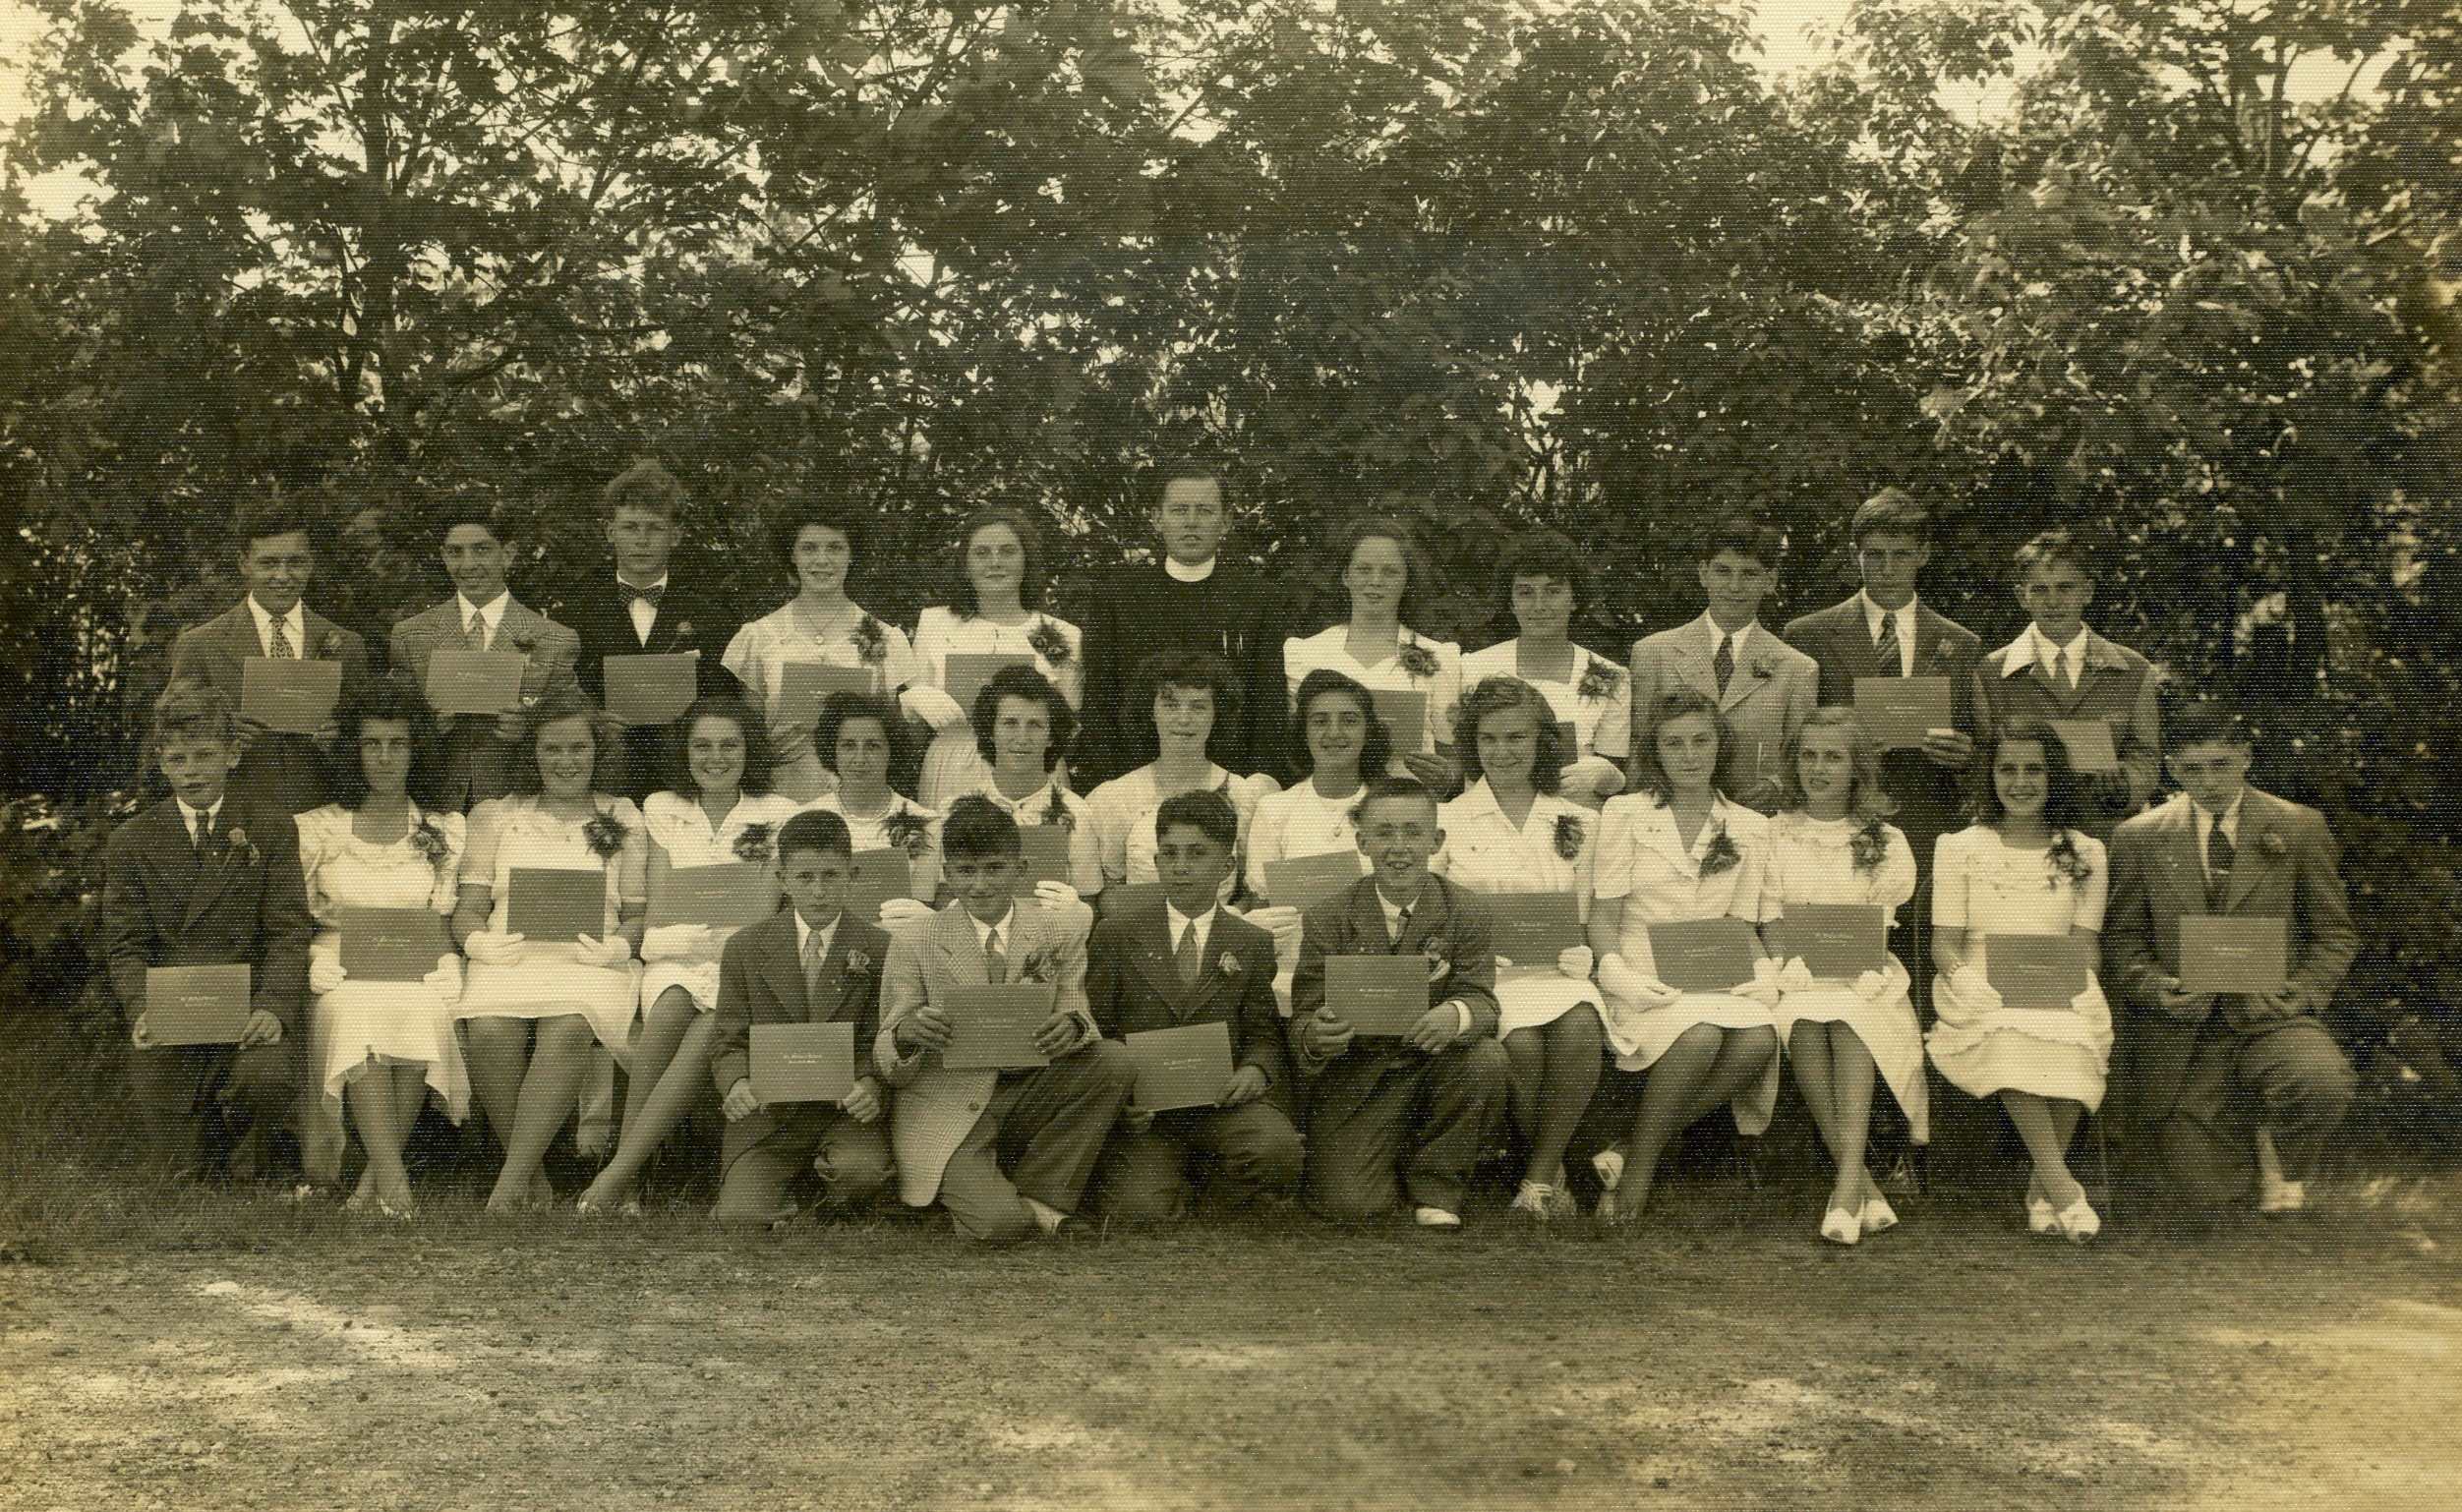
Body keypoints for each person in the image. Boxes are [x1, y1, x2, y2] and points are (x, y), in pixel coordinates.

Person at [2103, 701, 2358, 1214]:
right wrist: (2157, 988)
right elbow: (2122, 941)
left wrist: (2301, 991)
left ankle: (2280, 1152)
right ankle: (2242, 1138)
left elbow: (2335, 932)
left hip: (2270, 1018)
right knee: (2207, 1197)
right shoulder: (2138, 837)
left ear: (2245, 758)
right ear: (2173, 769)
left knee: (2323, 1082)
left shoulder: (2298, 826)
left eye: (2221, 765)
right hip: (2185, 1029)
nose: (2210, 782)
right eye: (2193, 769)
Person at [574, 692, 801, 1215]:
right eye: (702, 746)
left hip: (745, 960)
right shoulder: (662, 808)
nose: (715, 757)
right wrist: (685, 938)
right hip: (674, 953)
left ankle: (616, 1177)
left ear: (750, 751)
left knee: (710, 1027)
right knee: (670, 1006)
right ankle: (625, 1179)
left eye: (729, 745)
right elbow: (657, 907)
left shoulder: (778, 812)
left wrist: (720, 936)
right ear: (685, 751)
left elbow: (770, 907)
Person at [874, 796, 1138, 1242]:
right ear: (946, 874)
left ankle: (1041, 1197)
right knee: (1002, 1226)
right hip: (949, 1103)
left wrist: (1071, 1027)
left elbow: (1079, 1012)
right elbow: (886, 1052)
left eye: (994, 868)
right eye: (965, 871)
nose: (979, 885)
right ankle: (987, 1194)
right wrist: (908, 1033)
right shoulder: (915, 938)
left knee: (1113, 1061)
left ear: (1022, 868)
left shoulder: (1059, 930)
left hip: (1031, 1089)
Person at [1580, 689, 1782, 1225]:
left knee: (1760, 1038)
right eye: (1674, 743)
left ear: (1721, 745)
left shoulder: (1749, 825)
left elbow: (1742, 924)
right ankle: (1640, 1175)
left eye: (1701, 740)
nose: (1689, 755)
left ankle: (1628, 1146)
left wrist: (1762, 975)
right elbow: (1603, 917)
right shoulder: (1624, 813)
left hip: (1715, 973)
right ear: (1655, 751)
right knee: (1701, 1035)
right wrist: (1616, 973)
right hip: (1642, 973)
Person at [98, 679, 313, 1181]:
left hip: (246, 1007)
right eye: (177, 759)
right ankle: (206, 1146)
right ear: (160, 761)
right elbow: (125, 944)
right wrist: (140, 1008)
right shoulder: (132, 840)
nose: (191, 772)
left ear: (232, 755)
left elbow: (288, 930)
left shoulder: (269, 826)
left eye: (204, 755)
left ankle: (254, 1150)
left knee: (264, 1079)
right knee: (183, 1174)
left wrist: (274, 1007)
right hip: (174, 1014)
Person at [449, 689, 648, 1211]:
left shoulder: (623, 815)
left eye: (578, 748)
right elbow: (466, 909)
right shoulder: (494, 815)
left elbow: (636, 915)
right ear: (531, 754)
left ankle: (508, 1186)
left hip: (588, 961)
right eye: (552, 749)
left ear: (597, 751)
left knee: (570, 1025)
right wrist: (480, 943)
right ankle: (532, 1175)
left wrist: (617, 948)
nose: (565, 761)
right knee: (489, 1027)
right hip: (511, 956)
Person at [1780, 489, 1982, 980]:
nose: (1888, 568)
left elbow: (1982, 741)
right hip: (1838, 819)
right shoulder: (1808, 635)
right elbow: (1795, 736)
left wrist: (1965, 752)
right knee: (1839, 960)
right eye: (1875, 556)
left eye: (1901, 555)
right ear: (1856, 556)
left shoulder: (1963, 643)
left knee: (1923, 949)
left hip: (1928, 814)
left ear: (1923, 556)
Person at [1288, 778, 1507, 1228]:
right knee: (1350, 1205)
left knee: (1486, 1058)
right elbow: (1303, 1013)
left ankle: (1438, 1184)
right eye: (1384, 833)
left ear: (1436, 840)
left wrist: (1455, 1013)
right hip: (1361, 1076)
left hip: (1434, 1067)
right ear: (1362, 842)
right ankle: (1392, 1157)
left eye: (1412, 832)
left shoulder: (1467, 911)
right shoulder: (1327, 916)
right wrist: (1317, 1033)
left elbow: (1482, 999)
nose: (1399, 847)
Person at [1927, 720, 2115, 1243]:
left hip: (2060, 978)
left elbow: (2085, 942)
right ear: (1989, 778)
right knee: (2010, 1031)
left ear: (2055, 776)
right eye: (2006, 769)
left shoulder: (2086, 851)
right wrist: (1968, 982)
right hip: (1979, 981)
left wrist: (2074, 985)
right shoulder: (1959, 846)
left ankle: (2040, 1189)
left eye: (2035, 769)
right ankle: (2064, 1188)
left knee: (2074, 1038)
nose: (2021, 782)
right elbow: (1944, 942)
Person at [1430, 677, 1603, 1221]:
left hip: (1559, 971)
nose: (1502, 752)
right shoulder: (1449, 818)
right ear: (1472, 745)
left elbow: (1589, 910)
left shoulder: (1579, 819)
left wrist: (1585, 955)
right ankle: (1551, 1171)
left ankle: (1535, 1179)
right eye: (1489, 739)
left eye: (1516, 738)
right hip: (1488, 977)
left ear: (1542, 742)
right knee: (1522, 1045)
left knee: (1580, 1025)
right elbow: (1435, 912)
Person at [294, 680, 469, 1212]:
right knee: (356, 1015)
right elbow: (291, 918)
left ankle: (376, 1184)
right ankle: (396, 1187)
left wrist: (447, 963)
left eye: (398, 743)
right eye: (373, 743)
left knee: (428, 1011)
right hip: (340, 964)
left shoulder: (443, 828)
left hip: (415, 963)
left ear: (417, 751)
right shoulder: (319, 828)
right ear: (355, 749)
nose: (386, 757)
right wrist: (312, 961)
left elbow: (441, 918)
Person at [1085, 790, 1303, 1218]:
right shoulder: (1116, 935)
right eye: (1169, 854)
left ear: (1226, 867)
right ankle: (1166, 1178)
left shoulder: (1251, 942)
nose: (1181, 866)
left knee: (1277, 1150)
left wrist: (1255, 1069)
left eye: (1197, 854)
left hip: (1222, 1104)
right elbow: (1100, 1029)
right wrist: (1119, 1099)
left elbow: (1263, 1031)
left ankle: (1208, 1181)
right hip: (1146, 1113)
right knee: (1139, 1211)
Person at [1762, 708, 1925, 1246]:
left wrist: (1858, 970)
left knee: (1853, 1020)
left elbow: (1876, 932)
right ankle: (1858, 1182)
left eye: (1833, 757)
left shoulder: (1885, 839)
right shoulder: (1774, 834)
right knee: (1806, 1022)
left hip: (1866, 976)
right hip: (1798, 974)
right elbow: (1771, 922)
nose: (1819, 768)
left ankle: (1847, 1183)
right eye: (1808, 756)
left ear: (1857, 767)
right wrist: (1790, 968)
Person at [704, 810, 896, 1226]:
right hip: (771, 1114)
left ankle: (821, 1187)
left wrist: (869, 1082)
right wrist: (736, 1082)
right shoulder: (745, 947)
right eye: (805, 877)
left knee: (861, 1173)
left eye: (831, 876)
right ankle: (788, 1190)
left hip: (843, 1112)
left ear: (853, 874)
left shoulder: (881, 948)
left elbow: (880, 1036)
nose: (819, 891)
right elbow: (728, 1039)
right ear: (781, 878)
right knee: (739, 1217)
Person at [721, 500, 956, 804]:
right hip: (781, 793)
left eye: (834, 548)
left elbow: (897, 740)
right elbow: (747, 734)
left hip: (860, 794)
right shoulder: (759, 637)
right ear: (792, 555)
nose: (822, 560)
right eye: (809, 548)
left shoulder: (886, 638)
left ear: (851, 555)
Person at [1075, 455, 1290, 785]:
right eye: (1179, 510)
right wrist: (1114, 785)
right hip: (1135, 781)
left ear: (1227, 520)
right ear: (1157, 518)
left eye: (1204, 510)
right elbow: (1099, 705)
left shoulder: (1259, 599)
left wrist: (1254, 789)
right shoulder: (1116, 597)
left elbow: (1268, 709)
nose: (1192, 522)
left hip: (1228, 784)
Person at [168, 498, 376, 820]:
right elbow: (169, 732)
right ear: (244, 563)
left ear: (310, 563)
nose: (283, 575)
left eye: (295, 562)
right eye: (269, 563)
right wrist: (219, 729)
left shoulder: (347, 645)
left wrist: (340, 738)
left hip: (326, 814)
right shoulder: (201, 644)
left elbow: (370, 740)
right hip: (236, 815)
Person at [553, 460, 742, 804]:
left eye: (655, 528)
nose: (641, 540)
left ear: (676, 535)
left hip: (688, 787)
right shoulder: (572, 618)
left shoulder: (713, 619)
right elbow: (557, 704)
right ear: (610, 532)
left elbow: (728, 707)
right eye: (630, 527)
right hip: (600, 786)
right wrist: (592, 720)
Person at [387, 498, 584, 811]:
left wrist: (530, 727)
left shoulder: (555, 639)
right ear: (443, 556)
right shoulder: (411, 636)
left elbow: (576, 726)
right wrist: (426, 726)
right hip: (431, 801)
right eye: (455, 552)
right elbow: (389, 722)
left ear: (508, 554)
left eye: (481, 550)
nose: (467, 565)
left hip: (518, 802)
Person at [1972, 529, 2163, 842]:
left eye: (2065, 588)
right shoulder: (1992, 672)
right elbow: (1983, 757)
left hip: (2105, 830)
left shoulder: (2133, 670)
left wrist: (2124, 782)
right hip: (2024, 834)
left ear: (2087, 591)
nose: (2053, 602)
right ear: (2022, 596)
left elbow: (2145, 755)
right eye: (2040, 590)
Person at [1628, 514, 1816, 812]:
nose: (1734, 586)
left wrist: (1776, 785)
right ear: (1703, 573)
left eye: (1750, 574)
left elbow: (1802, 755)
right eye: (1723, 571)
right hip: (1668, 815)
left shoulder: (1797, 668)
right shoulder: (1653, 652)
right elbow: (1639, 750)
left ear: (1770, 580)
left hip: (1756, 819)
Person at [911, 507, 1084, 809]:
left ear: (1026, 561)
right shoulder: (934, 624)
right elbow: (911, 728)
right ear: (965, 564)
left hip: (1032, 770)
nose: (995, 562)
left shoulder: (1061, 636)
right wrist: (911, 699)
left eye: (1007, 552)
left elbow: (1068, 728)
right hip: (952, 767)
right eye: (981, 552)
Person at [1085, 651, 1281, 910]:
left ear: (1216, 714)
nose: (1184, 718)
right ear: (1151, 711)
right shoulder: (1115, 798)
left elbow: (1252, 895)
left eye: (1198, 706)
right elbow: (1108, 896)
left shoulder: (1245, 796)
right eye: (1171, 705)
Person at [1243, 669, 1390, 1011]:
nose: (1334, 733)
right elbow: (1263, 908)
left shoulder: (1390, 806)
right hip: (1293, 978)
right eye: (1320, 721)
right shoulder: (1274, 809)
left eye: (1349, 720)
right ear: (1304, 732)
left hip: (1379, 978)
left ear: (1368, 731)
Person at [1281, 514, 1462, 788]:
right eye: (1364, 569)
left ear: (1406, 579)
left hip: (1407, 805)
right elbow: (1291, 749)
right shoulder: (1305, 654)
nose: (1376, 581)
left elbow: (1453, 757)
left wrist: (1446, 777)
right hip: (1326, 803)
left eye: (1390, 571)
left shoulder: (1437, 656)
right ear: (1345, 575)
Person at [1458, 531, 1630, 805]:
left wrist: (1603, 774)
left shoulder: (1611, 677)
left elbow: (1612, 777)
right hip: (1487, 823)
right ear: (1510, 602)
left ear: (1574, 599)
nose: (1539, 606)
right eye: (1526, 593)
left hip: (1573, 823)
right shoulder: (1472, 668)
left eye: (1553, 591)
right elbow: (1462, 760)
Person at [957, 664, 1105, 903]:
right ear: (990, 731)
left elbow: (1088, 899)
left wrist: (1073, 907)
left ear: (1051, 737)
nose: (1022, 737)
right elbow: (943, 897)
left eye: (1035, 725)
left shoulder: (1076, 812)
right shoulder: (956, 809)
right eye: (1010, 723)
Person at [800, 690, 945, 931]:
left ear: (892, 751)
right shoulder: (805, 819)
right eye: (848, 746)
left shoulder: (925, 822)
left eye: (873, 746)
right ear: (832, 751)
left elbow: (923, 902)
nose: (860, 758)